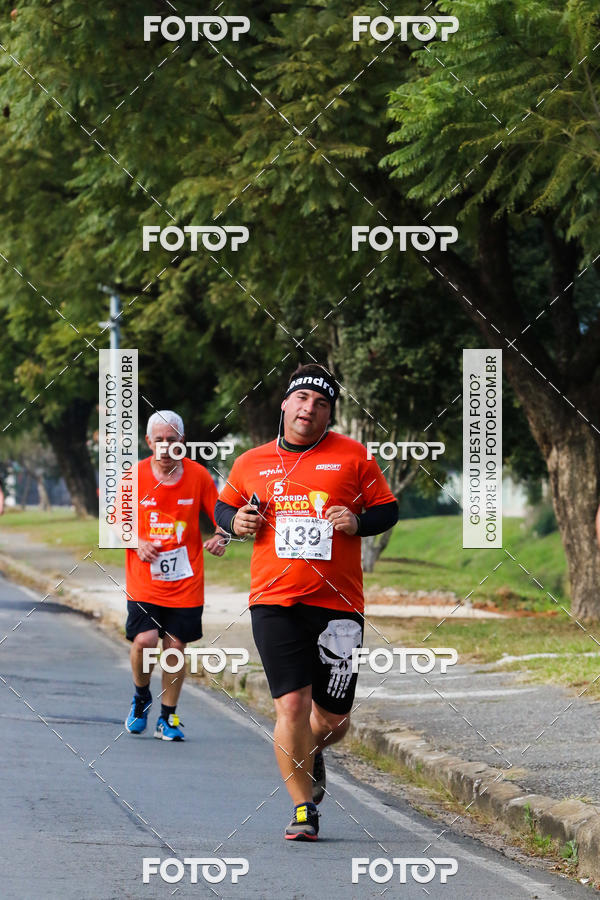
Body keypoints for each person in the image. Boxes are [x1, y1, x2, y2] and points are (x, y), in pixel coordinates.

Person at [215, 364, 398, 840]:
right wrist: (236, 524)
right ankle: (303, 809)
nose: (308, 409)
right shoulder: (251, 461)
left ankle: (311, 750)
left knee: (334, 721)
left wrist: (358, 523)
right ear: (285, 404)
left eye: (320, 404)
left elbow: (387, 508)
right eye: (301, 400)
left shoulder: (353, 457)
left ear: (328, 413)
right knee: (291, 705)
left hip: (338, 605)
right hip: (275, 600)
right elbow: (224, 505)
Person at [124, 410, 227, 741]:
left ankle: (167, 718)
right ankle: (141, 697)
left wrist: (220, 537)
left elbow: (222, 515)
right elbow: (113, 524)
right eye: (159, 441)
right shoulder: (133, 476)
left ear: (182, 441)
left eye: (172, 440)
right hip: (144, 580)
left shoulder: (198, 476)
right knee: (145, 640)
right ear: (148, 442)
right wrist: (136, 541)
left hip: (186, 580)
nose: (166, 447)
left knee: (175, 646)